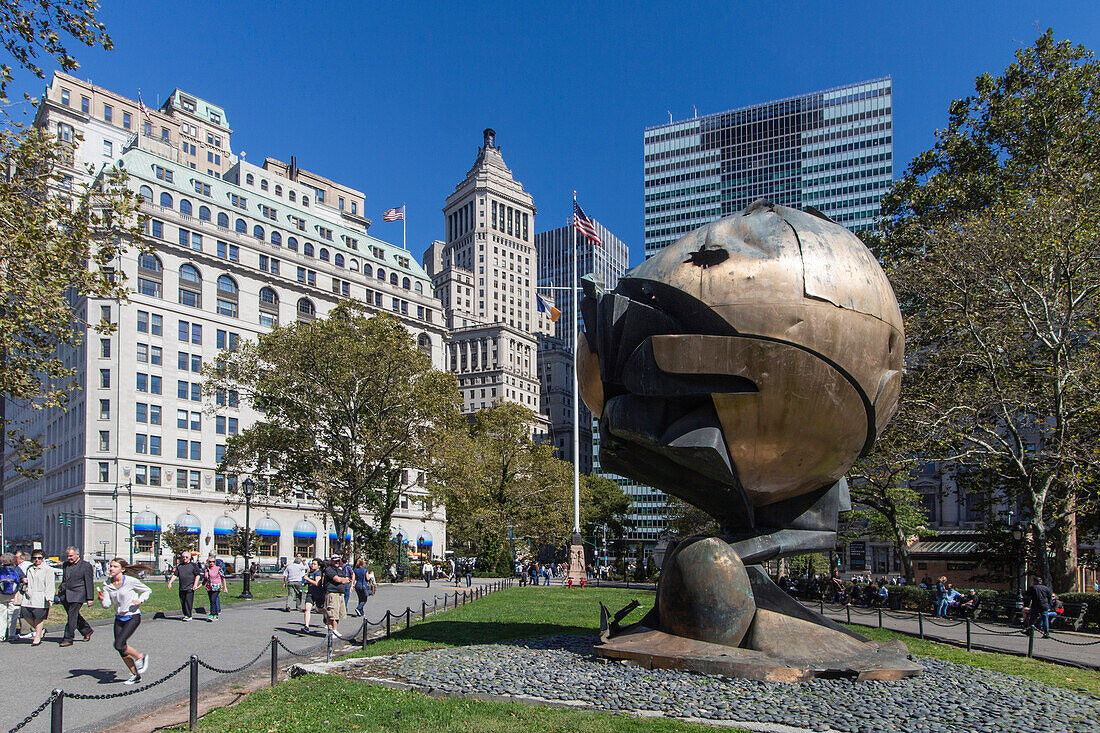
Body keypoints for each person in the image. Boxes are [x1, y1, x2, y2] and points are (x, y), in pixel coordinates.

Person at [100, 558, 152, 684]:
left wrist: (141, 599)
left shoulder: (130, 581)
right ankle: (135, 675)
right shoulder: (107, 584)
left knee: (118, 644)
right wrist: (102, 599)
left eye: (115, 566)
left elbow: (147, 590)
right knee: (121, 648)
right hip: (119, 617)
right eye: (110, 566)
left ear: (122, 569)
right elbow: (106, 605)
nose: (111, 569)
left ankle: (141, 657)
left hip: (132, 616)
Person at [58, 546, 95, 646]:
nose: (69, 558)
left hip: (78, 594)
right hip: (65, 594)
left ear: (77, 554)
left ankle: (68, 638)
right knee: (74, 616)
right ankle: (87, 630)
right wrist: (60, 590)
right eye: (67, 556)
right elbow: (65, 579)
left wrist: (90, 598)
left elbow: (89, 582)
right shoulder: (65, 565)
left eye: (71, 556)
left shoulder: (85, 566)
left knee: (72, 616)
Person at [21, 550, 60, 645]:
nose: (37, 560)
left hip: (41, 596)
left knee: (38, 617)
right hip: (28, 596)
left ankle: (37, 637)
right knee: (25, 615)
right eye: (34, 558)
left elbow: (50, 585)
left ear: (43, 559)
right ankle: (40, 631)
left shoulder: (48, 570)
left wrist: (50, 598)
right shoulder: (29, 568)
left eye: (39, 558)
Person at [166, 550, 202, 621]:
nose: (184, 558)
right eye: (183, 557)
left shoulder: (193, 565)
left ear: (189, 557)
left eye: (186, 557)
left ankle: (189, 615)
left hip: (190, 587)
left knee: (188, 601)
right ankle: (185, 614)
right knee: (182, 601)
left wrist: (195, 585)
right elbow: (175, 575)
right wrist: (170, 582)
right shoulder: (180, 566)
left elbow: (197, 575)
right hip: (182, 587)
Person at [322, 555, 350, 637]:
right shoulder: (329, 570)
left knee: (338, 614)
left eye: (338, 561)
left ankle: (335, 629)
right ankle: (331, 631)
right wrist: (342, 580)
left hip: (340, 594)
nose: (337, 562)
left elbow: (347, 579)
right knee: (332, 613)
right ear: (331, 561)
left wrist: (343, 580)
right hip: (332, 593)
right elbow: (337, 579)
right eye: (335, 561)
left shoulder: (339, 570)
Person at [0, 553, 26, 642]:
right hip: (13, 595)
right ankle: (12, 634)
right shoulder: (16, 569)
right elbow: (23, 579)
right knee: (13, 615)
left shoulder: (0, 569)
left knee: (2, 616)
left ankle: (1, 635)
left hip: (1, 596)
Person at [302, 558, 325, 633]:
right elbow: (311, 582)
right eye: (312, 564)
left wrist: (307, 579)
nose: (312, 565)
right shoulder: (311, 572)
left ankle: (325, 616)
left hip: (318, 594)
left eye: (314, 564)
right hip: (310, 593)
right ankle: (306, 626)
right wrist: (305, 583)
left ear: (319, 566)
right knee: (307, 608)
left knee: (320, 610)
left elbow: (317, 583)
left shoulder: (318, 573)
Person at [202, 554, 227, 621]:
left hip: (216, 587)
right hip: (209, 587)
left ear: (215, 562)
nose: (211, 563)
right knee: (211, 601)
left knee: (213, 600)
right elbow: (205, 579)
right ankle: (215, 614)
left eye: (213, 561)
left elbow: (223, 578)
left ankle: (212, 614)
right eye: (210, 562)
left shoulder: (218, 569)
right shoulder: (206, 569)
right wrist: (198, 586)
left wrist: (225, 587)